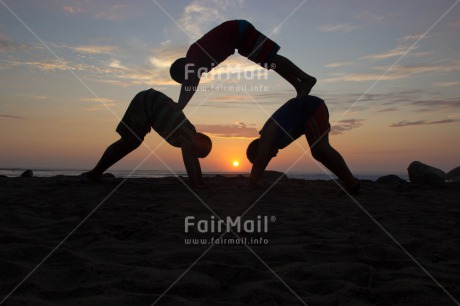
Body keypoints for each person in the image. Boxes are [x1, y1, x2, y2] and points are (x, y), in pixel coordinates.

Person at [170, 20, 317, 110]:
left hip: (239, 32)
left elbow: (191, 83)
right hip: (238, 37)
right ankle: (298, 86)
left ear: (184, 68)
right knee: (270, 62)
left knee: (271, 58)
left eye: (184, 77)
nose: (187, 79)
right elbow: (192, 82)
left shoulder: (193, 56)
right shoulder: (196, 61)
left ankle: (306, 79)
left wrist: (179, 106)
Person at [82, 89, 212, 188]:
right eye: (195, 149)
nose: (191, 152)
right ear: (197, 137)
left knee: (131, 142)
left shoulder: (189, 134)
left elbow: (192, 158)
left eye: (196, 153)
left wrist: (200, 181)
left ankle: (96, 172)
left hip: (150, 105)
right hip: (146, 103)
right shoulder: (187, 135)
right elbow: (189, 159)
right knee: (130, 141)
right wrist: (196, 184)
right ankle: (95, 173)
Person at [246, 95, 360, 193]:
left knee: (320, 149)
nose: (273, 156)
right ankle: (350, 183)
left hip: (310, 108)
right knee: (318, 152)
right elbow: (263, 161)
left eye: (269, 155)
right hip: (308, 115)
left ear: (261, 149)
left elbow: (261, 161)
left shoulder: (266, 134)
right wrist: (256, 182)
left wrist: (251, 185)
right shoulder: (275, 144)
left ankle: (351, 183)